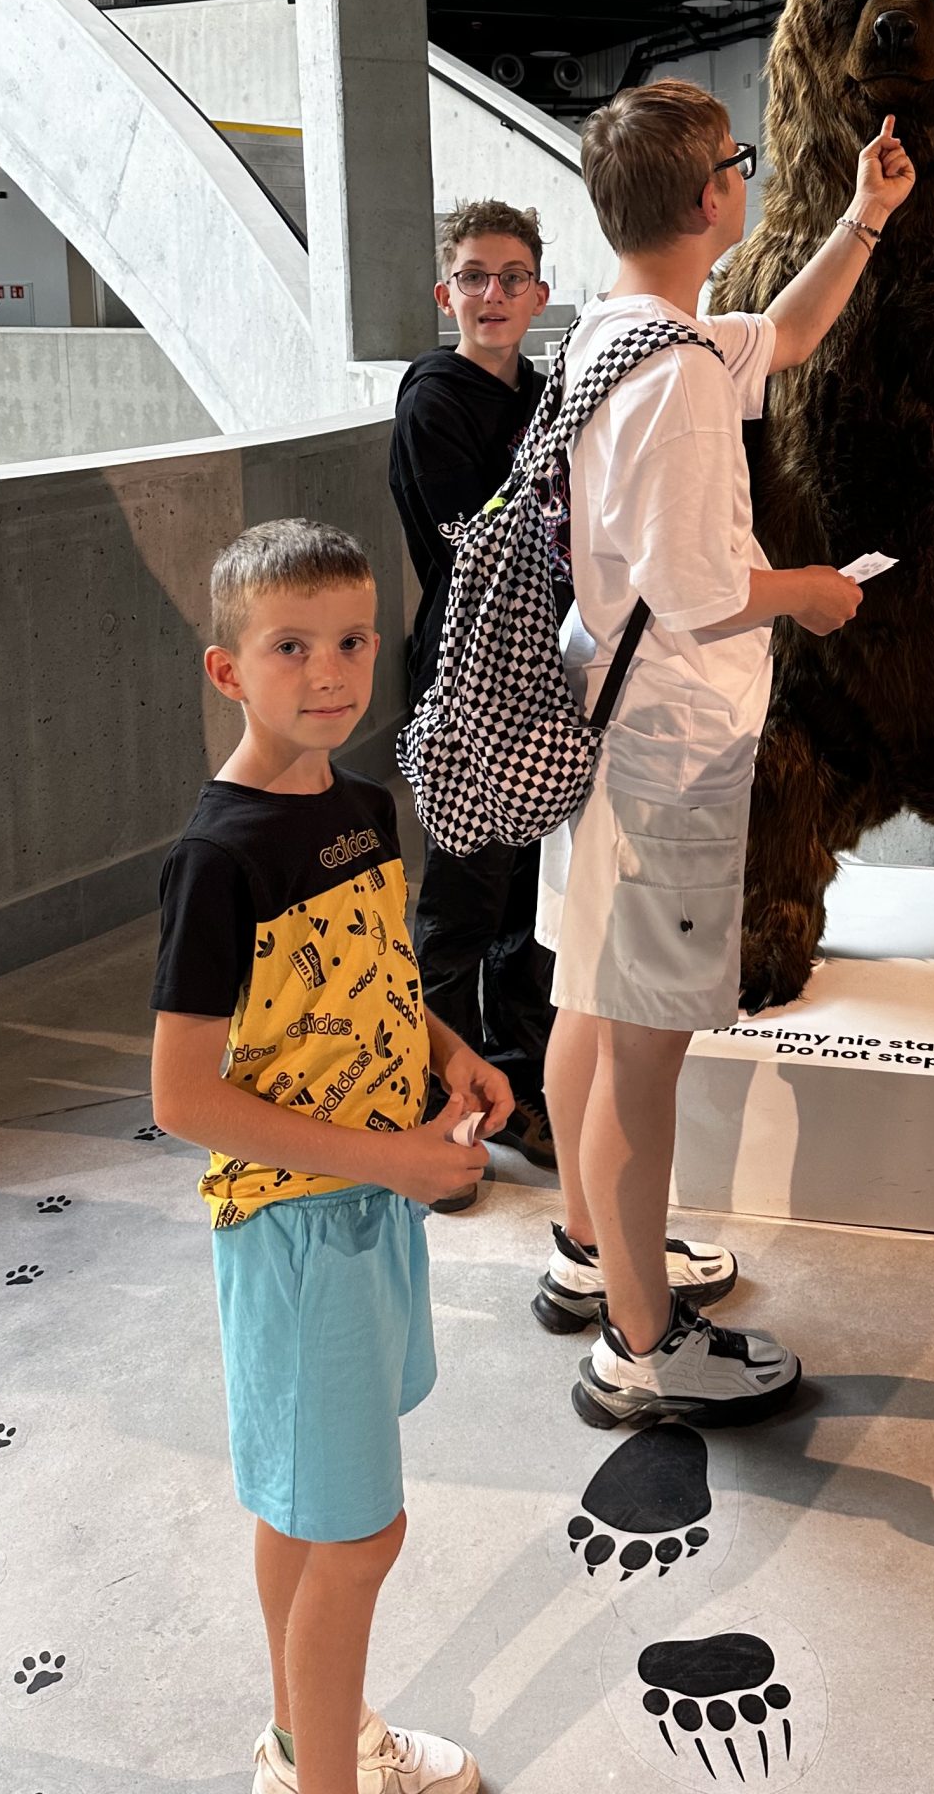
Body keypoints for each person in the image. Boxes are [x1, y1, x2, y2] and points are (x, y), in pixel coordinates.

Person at [537, 76, 916, 1426]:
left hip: (602, 721)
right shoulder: (679, 378)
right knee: (643, 1055)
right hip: (669, 750)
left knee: (592, 1005)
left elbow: (790, 333)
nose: (747, 178)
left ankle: (595, 1252)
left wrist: (865, 218)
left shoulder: (615, 338)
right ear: (711, 197)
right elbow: (700, 589)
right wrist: (808, 590)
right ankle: (642, 1338)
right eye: (739, 162)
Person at [148, 518, 509, 1794]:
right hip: (299, 1230)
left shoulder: (362, 806)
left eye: (353, 640)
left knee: (305, 1511)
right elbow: (182, 1094)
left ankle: (310, 1739)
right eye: (290, 646)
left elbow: (370, 975)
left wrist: (447, 1050)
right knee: (364, 1534)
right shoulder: (218, 859)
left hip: (370, 1208)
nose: (331, 672)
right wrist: (389, 1159)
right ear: (228, 669)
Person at [389, 200, 558, 1191]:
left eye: (512, 277)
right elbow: (485, 539)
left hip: (539, 681)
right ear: (445, 292)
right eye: (474, 277)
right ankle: (438, 1114)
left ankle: (521, 1087)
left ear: (539, 294)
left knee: (529, 905)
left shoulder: (544, 392)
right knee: (461, 907)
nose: (492, 294)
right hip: (464, 685)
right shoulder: (434, 401)